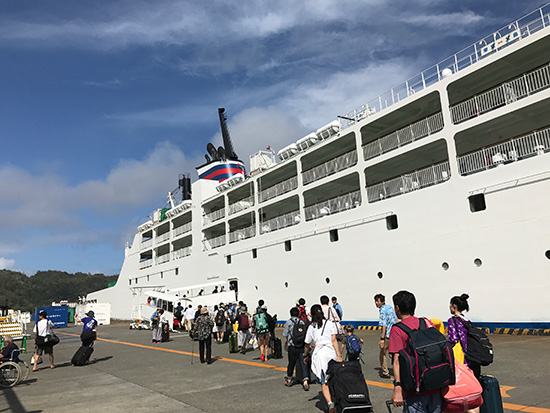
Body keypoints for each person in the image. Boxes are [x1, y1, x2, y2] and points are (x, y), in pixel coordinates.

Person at [389, 290, 441, 413]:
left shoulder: (397, 329)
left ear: (397, 308)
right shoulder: (426, 322)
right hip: (435, 386)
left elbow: (397, 361)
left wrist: (397, 388)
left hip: (414, 390)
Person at [304, 304, 342, 413]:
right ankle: (337, 399)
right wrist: (339, 354)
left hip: (320, 355)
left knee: (323, 381)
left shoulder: (311, 327)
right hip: (331, 353)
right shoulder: (329, 323)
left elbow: (307, 344)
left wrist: (305, 355)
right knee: (333, 377)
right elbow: (334, 340)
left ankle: (330, 404)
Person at [447, 293, 481, 379]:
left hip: (460, 356)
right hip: (470, 354)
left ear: (454, 306)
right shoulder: (467, 321)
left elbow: (454, 339)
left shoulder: (452, 320)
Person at [282, 307, 310, 391]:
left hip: (292, 346)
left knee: (291, 363)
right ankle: (305, 382)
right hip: (301, 345)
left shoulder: (289, 322)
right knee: (303, 363)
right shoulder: (301, 322)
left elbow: (285, 334)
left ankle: (289, 379)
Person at [375, 293, 397, 379]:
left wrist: (382, 338)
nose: (376, 303)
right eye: (375, 301)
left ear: (382, 301)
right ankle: (399, 369)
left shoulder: (382, 311)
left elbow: (384, 325)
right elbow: (396, 319)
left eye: (378, 301)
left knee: (382, 353)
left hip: (387, 335)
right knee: (393, 353)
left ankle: (385, 372)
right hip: (394, 333)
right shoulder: (390, 308)